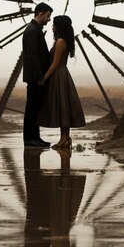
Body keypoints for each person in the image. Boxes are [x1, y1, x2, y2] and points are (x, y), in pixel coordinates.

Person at [38, 15, 86, 148]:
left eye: (54, 24)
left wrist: (44, 78)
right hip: (62, 75)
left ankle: (64, 139)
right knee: (63, 107)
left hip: (58, 75)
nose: (52, 26)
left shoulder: (60, 42)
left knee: (62, 107)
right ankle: (65, 139)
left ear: (59, 27)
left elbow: (55, 63)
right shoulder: (62, 41)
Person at [22, 2, 53, 147]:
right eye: (47, 16)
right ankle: (30, 139)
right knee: (32, 108)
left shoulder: (34, 29)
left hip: (34, 76)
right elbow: (32, 55)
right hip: (35, 78)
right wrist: (40, 76)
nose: (49, 19)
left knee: (34, 108)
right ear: (39, 14)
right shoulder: (33, 31)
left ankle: (34, 138)